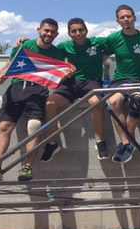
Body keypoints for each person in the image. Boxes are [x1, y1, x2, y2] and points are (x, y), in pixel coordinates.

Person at [0, 18, 74, 182]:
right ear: (39, 30)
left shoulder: (58, 53)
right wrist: (2, 75)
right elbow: (9, 65)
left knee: (34, 126)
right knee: (4, 126)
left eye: (52, 32)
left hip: (38, 90)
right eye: (46, 30)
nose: (49, 34)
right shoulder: (24, 45)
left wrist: (67, 74)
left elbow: (59, 76)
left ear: (57, 34)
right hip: (16, 88)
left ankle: (27, 167)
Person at [39, 18, 109, 163]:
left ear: (86, 31)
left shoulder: (98, 43)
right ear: (69, 34)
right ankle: (52, 144)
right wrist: (24, 41)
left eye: (81, 30)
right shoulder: (64, 47)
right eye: (74, 31)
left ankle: (100, 141)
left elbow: (121, 38)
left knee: (96, 102)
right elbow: (45, 48)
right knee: (50, 104)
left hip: (91, 82)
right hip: (71, 83)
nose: (78, 33)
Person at [103, 4, 140, 163]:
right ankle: (127, 142)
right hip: (120, 81)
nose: (126, 19)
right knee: (113, 102)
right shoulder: (113, 38)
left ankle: (126, 142)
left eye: (128, 16)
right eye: (122, 17)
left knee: (137, 101)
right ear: (118, 21)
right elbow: (101, 55)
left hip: (139, 80)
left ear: (134, 18)